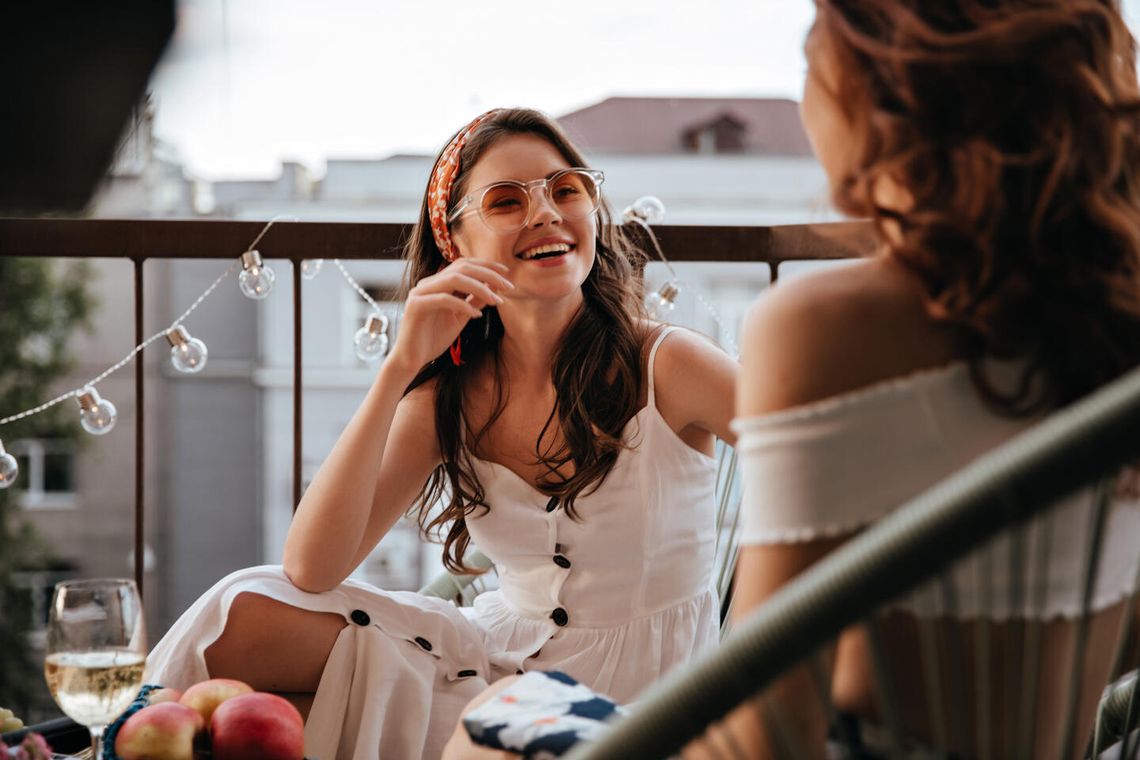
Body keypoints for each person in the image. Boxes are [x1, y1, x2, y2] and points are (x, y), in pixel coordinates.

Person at [145, 107, 737, 760]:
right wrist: (399, 368)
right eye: (507, 201)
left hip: (633, 703)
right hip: (488, 663)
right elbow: (311, 567)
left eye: (566, 189)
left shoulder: (669, 363)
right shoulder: (448, 397)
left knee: (305, 715)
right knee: (236, 612)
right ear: (453, 242)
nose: (545, 213)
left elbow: (819, 457)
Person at [719, 0, 1140, 757]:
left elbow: (765, 738)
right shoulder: (1118, 314)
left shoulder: (821, 326)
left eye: (812, 60)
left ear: (886, 92)